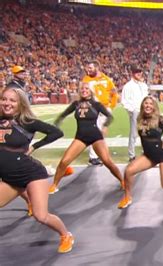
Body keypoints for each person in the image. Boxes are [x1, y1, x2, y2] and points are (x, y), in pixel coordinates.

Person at [0, 86, 74, 253]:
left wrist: (34, 147)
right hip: (11, 178)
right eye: (4, 99)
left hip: (31, 175)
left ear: (20, 104)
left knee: (41, 216)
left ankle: (66, 234)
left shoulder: (26, 122)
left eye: (12, 100)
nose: (7, 103)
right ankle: (27, 197)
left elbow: (56, 132)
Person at [48, 82, 123, 194]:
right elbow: (63, 114)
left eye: (87, 88)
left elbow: (110, 116)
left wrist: (105, 126)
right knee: (64, 161)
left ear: (91, 91)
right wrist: (57, 123)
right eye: (82, 88)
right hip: (80, 137)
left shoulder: (96, 104)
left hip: (95, 136)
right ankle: (54, 185)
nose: (84, 90)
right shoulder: (76, 104)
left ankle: (122, 181)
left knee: (107, 161)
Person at [82, 60, 118, 166]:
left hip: (105, 108)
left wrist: (111, 106)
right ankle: (94, 157)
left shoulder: (106, 79)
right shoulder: (86, 79)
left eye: (90, 68)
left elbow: (114, 92)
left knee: (101, 132)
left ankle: (98, 154)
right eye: (88, 68)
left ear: (97, 68)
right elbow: (82, 93)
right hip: (93, 108)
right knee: (96, 132)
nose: (88, 70)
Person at [121, 64, 149, 162]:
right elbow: (124, 101)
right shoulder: (128, 86)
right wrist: (132, 111)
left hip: (145, 111)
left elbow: (146, 97)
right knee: (134, 134)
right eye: (137, 72)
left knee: (146, 133)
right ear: (132, 73)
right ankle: (131, 155)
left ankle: (146, 152)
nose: (139, 73)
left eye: (140, 71)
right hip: (136, 111)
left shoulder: (143, 85)